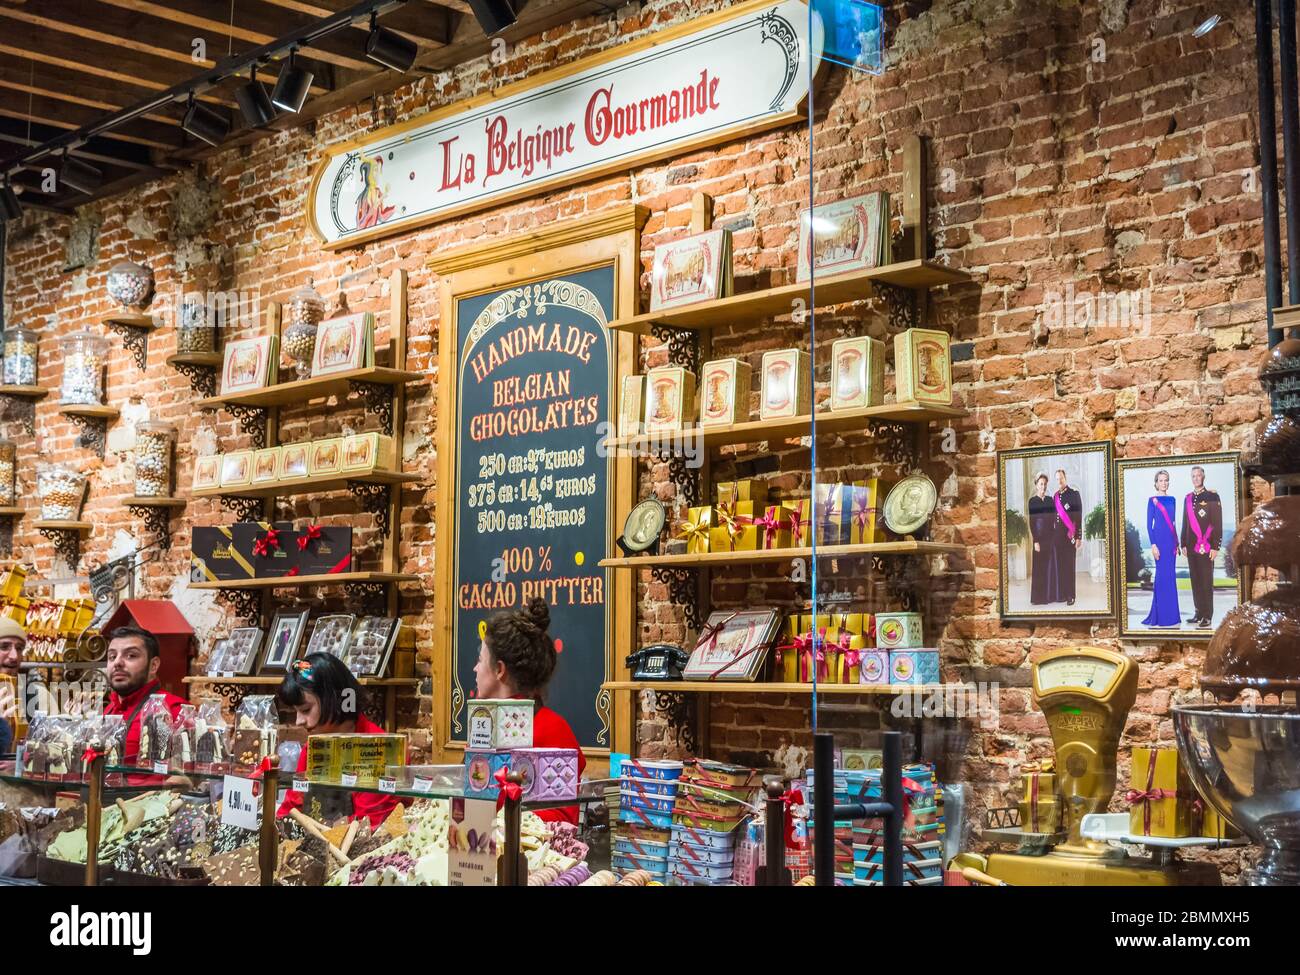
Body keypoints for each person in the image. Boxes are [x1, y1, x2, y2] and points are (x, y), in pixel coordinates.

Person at [474, 598, 586, 825]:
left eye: (480, 660)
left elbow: (560, 823)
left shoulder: (553, 730)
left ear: (499, 669)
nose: (475, 668)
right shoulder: (484, 726)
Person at [277, 653, 403, 829]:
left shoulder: (380, 749)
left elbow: (368, 827)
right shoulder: (314, 747)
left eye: (305, 710)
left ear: (335, 700)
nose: (299, 721)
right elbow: (291, 808)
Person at [102, 625, 187, 785]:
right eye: (112, 657)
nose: (117, 663)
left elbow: (191, 779)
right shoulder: (110, 709)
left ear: (153, 665)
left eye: (131, 655)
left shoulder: (175, 710)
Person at [1180, 465, 1222, 628]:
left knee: (1206, 581)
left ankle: (1207, 616)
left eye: (1198, 476)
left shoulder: (1212, 496)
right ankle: (1198, 613)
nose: (1196, 478)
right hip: (1191, 546)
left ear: (1203, 477)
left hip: (1206, 546)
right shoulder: (1188, 498)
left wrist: (1215, 546)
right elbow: (1185, 522)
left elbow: (1217, 522)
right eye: (1193, 476)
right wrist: (1183, 542)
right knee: (1195, 580)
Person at [1142, 470, 1181, 627]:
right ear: (1156, 483)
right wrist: (1153, 545)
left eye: (1166, 480)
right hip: (1159, 543)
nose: (1163, 483)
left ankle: (1172, 616)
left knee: (1170, 578)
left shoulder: (1172, 500)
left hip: (1171, 544)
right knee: (1161, 578)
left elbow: (1173, 524)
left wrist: (1177, 543)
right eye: (1161, 480)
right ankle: (1160, 616)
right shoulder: (1152, 501)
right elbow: (1148, 525)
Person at [1026, 472, 1059, 605]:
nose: (1043, 486)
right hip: (1039, 538)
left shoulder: (1050, 500)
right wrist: (1036, 541)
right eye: (1041, 484)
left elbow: (1054, 520)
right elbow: (1032, 523)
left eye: (1045, 484)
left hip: (1050, 537)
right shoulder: (1032, 501)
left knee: (1050, 567)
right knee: (1039, 567)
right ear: (1036, 485)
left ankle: (1049, 596)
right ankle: (1038, 598)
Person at [1052, 468, 1083, 606]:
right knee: (1060, 566)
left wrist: (1078, 537)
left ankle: (1071, 595)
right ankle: (1063, 593)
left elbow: (1078, 516)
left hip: (1069, 535)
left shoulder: (1074, 494)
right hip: (1057, 537)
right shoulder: (1055, 497)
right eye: (1057, 479)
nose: (1059, 481)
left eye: (1061, 478)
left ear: (1065, 478)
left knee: (1069, 566)